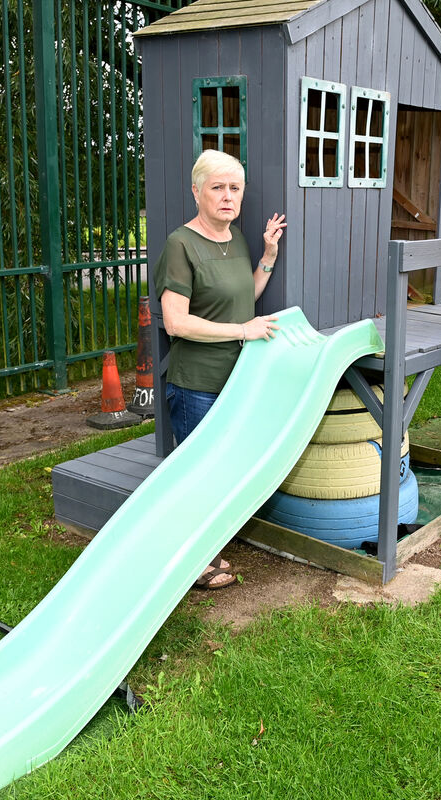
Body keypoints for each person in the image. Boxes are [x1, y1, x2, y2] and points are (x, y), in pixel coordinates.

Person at [153, 149, 286, 587]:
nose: (228, 196)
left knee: (220, 471)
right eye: (218, 188)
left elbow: (244, 297)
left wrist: (268, 255)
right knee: (197, 476)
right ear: (197, 192)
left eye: (235, 188)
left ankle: (207, 549)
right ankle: (194, 562)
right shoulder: (181, 245)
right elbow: (176, 322)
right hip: (197, 384)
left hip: (236, 380)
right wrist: (242, 331)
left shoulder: (238, 239)